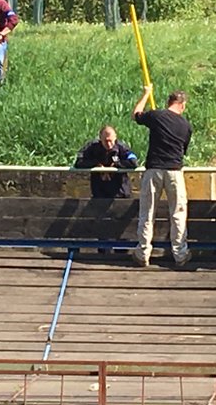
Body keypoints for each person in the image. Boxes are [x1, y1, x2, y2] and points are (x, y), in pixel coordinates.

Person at [131, 85, 193, 268]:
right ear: (182, 105)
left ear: (169, 102)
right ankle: (180, 254)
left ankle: (143, 253)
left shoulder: (156, 116)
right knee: (178, 213)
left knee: (147, 212)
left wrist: (146, 94)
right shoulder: (186, 126)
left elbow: (136, 114)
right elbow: (184, 150)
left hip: (154, 170)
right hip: (174, 170)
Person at [74, 125, 139, 199]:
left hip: (121, 194)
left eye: (110, 141)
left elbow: (134, 162)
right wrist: (96, 164)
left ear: (115, 138)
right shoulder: (92, 147)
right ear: (100, 138)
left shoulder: (122, 148)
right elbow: (79, 162)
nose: (108, 144)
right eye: (105, 141)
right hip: (99, 194)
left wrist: (116, 165)